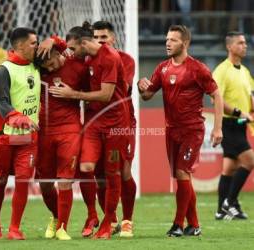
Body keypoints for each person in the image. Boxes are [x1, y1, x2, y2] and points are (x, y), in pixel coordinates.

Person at [138, 25, 223, 237]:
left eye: (173, 40)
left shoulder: (198, 69)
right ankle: (194, 225)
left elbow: (217, 96)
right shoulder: (163, 68)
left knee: (182, 173)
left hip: (192, 130)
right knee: (182, 178)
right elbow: (147, 95)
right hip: (171, 130)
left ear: (185, 43)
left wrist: (218, 129)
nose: (167, 43)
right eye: (167, 39)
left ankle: (177, 224)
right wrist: (141, 86)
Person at [49, 21, 129, 239]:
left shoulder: (110, 58)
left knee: (112, 174)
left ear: (84, 43)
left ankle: (109, 221)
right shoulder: (85, 57)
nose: (70, 54)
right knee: (85, 168)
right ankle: (93, 214)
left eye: (73, 49)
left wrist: (72, 94)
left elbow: (105, 95)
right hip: (94, 123)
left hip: (116, 126)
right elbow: (63, 50)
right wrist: (53, 41)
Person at [79, 20, 136, 238]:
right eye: (97, 38)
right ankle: (109, 220)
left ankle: (128, 219)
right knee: (100, 172)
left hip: (123, 123)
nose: (101, 41)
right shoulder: (89, 59)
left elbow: (112, 91)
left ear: (113, 38)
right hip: (96, 122)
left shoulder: (124, 60)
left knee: (123, 171)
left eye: (104, 37)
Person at [0, 27, 40, 240]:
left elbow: (61, 54)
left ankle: (15, 228)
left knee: (23, 180)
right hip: (4, 135)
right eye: (34, 43)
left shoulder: (37, 65)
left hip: (28, 137)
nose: (37, 46)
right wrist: (18, 117)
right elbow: (2, 103)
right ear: (20, 46)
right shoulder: (4, 70)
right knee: (0, 180)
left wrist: (55, 42)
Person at [35, 43, 90, 240]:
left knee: (65, 180)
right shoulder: (36, 68)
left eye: (51, 63)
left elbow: (93, 92)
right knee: (45, 184)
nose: (49, 69)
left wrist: (73, 95)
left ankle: (62, 228)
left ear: (58, 53)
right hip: (44, 132)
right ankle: (57, 216)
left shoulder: (78, 67)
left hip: (69, 129)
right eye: (46, 67)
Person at [213, 31, 254, 220]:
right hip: (229, 124)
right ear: (229, 46)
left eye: (245, 43)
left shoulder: (245, 72)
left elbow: (250, 98)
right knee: (250, 161)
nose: (244, 46)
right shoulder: (222, 70)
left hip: (240, 126)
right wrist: (239, 112)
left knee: (229, 168)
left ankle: (221, 210)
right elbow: (216, 98)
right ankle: (230, 202)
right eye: (240, 43)